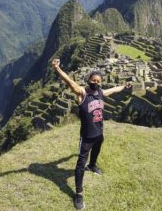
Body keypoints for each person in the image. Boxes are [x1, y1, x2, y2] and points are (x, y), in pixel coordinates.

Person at [52, 58, 132, 210]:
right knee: (80, 165)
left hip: (99, 133)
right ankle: (79, 194)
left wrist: (124, 86)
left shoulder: (101, 93)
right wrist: (57, 69)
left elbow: (114, 90)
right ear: (88, 80)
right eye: (93, 80)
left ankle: (93, 165)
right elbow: (69, 81)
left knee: (97, 149)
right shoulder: (82, 93)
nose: (96, 82)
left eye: (98, 80)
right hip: (87, 136)